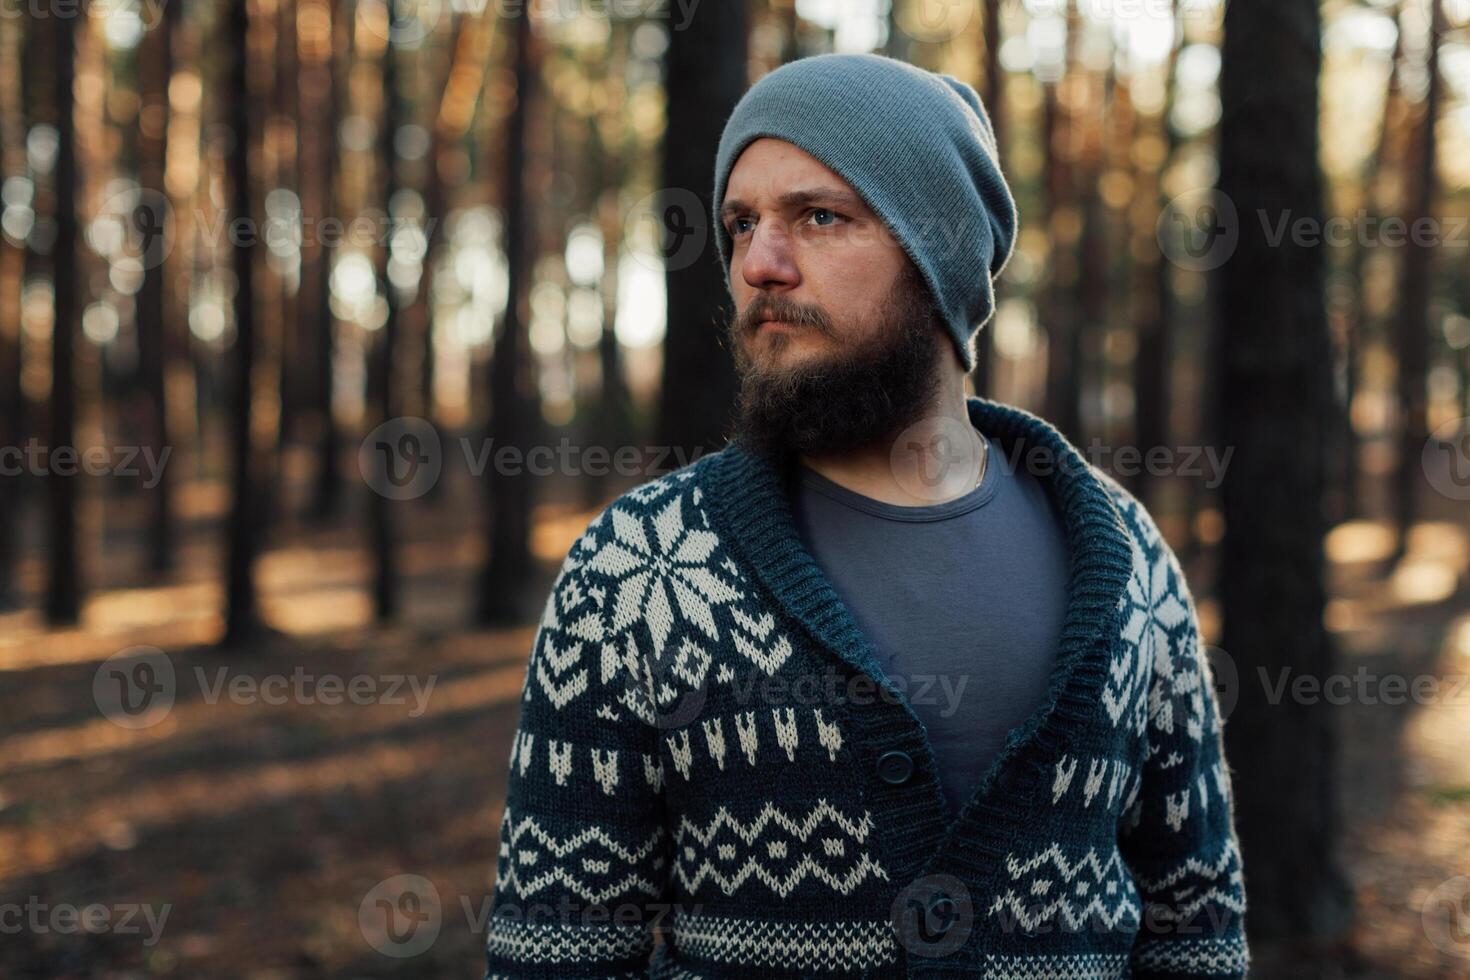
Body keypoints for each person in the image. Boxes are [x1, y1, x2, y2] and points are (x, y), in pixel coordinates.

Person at [483, 52, 1248, 979]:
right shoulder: (639, 568)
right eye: (740, 224)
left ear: (939, 256)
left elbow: (1197, 935)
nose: (760, 264)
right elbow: (553, 957)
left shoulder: (1126, 560)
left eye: (818, 216)